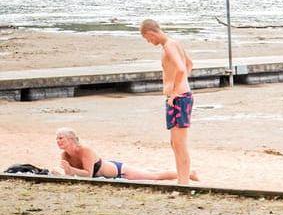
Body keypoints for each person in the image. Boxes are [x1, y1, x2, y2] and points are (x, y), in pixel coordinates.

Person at [139, 19, 195, 186]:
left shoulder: (169, 46)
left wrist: (175, 92)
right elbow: (190, 64)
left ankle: (184, 183)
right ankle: (182, 179)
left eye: (148, 39)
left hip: (179, 98)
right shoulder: (174, 43)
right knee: (175, 143)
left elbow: (181, 68)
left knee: (179, 143)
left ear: (151, 33)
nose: (150, 42)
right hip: (179, 96)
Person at [54, 128, 192, 181]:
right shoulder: (65, 155)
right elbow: (72, 177)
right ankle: (184, 173)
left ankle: (189, 174)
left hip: (120, 171)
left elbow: (88, 174)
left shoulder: (85, 151)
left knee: (155, 177)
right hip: (109, 170)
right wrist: (67, 172)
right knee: (148, 172)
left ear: (71, 139)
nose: (58, 141)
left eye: (61, 138)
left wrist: (71, 169)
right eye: (57, 138)